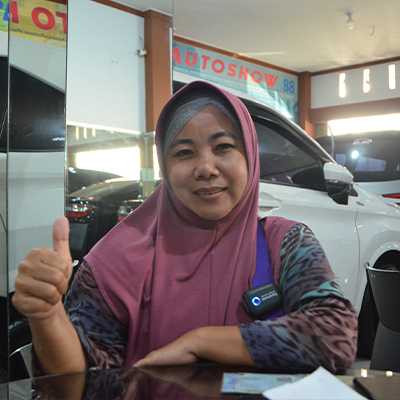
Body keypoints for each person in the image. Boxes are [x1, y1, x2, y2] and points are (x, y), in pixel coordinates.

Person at [12, 80, 357, 376]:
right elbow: (83, 377)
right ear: (165, 167)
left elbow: (336, 334)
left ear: (250, 158)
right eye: (184, 153)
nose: (205, 168)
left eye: (224, 147)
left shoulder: (285, 242)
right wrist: (47, 315)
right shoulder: (112, 264)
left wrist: (202, 342)